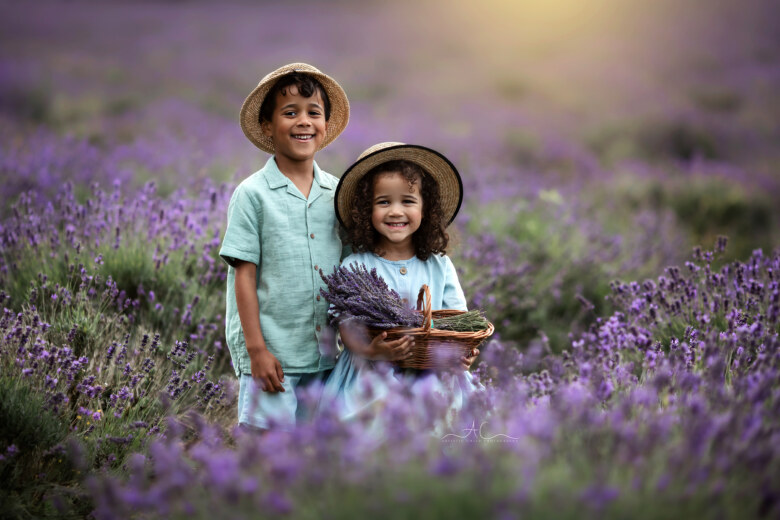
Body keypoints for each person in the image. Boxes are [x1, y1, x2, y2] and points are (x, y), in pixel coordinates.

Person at [219, 63, 350, 431]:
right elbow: (243, 277)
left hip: (325, 356)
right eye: (289, 113)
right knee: (265, 449)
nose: (303, 121)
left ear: (325, 126)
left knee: (310, 456)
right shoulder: (252, 194)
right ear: (267, 126)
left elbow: (353, 270)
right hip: (273, 356)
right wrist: (256, 351)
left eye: (314, 113)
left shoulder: (337, 193)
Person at [323, 141, 480, 425]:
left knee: (443, 416)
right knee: (375, 420)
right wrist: (371, 350)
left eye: (407, 201)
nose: (396, 211)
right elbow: (345, 324)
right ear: (365, 211)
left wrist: (461, 352)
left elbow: (456, 318)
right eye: (384, 202)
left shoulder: (438, 264)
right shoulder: (356, 266)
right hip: (370, 371)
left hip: (430, 368)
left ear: (425, 209)